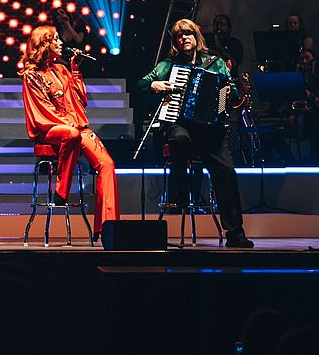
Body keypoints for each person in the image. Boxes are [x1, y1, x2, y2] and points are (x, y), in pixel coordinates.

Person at [137, 19, 252, 248]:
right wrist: (155, 86)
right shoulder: (167, 66)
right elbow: (142, 83)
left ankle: (235, 232)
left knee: (227, 172)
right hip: (180, 124)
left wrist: (228, 94)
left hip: (210, 129)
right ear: (175, 42)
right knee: (178, 139)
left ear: (197, 37)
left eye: (188, 34)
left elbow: (233, 94)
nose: (184, 38)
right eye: (179, 36)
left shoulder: (215, 63)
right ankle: (179, 192)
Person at [20, 25, 118, 239]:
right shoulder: (31, 75)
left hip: (76, 126)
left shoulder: (62, 70)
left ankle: (107, 227)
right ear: (44, 44)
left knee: (107, 164)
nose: (60, 43)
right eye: (55, 39)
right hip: (50, 128)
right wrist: (70, 124)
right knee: (70, 134)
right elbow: (43, 111)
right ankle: (61, 191)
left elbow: (80, 101)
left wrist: (75, 70)